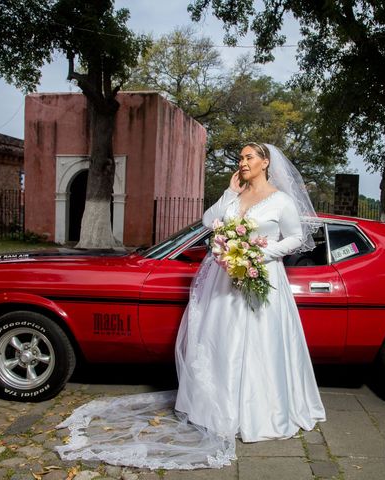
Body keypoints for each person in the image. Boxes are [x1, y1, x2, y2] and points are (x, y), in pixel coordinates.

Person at [56, 143, 326, 470]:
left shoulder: (281, 201)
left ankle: (260, 412)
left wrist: (258, 254)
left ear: (265, 162)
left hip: (260, 277)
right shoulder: (236, 197)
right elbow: (209, 221)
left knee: (258, 344)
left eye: (249, 157)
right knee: (221, 343)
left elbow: (296, 238)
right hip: (224, 281)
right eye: (240, 157)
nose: (242, 162)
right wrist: (228, 194)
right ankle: (215, 409)